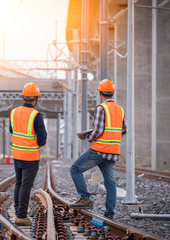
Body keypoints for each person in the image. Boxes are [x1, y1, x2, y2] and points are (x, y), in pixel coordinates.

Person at [69, 79, 127, 219]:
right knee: (110, 183)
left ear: (100, 93)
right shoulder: (120, 109)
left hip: (100, 149)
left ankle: (85, 198)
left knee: (75, 169)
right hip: (113, 151)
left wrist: (88, 137)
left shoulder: (101, 108)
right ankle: (109, 213)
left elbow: (98, 130)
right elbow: (123, 130)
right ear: (112, 93)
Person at [9, 82, 47, 226]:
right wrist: (40, 142)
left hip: (17, 154)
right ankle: (21, 216)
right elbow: (42, 139)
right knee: (25, 185)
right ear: (36, 98)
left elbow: (12, 131)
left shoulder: (14, 112)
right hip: (30, 156)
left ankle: (18, 210)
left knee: (19, 182)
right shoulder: (36, 115)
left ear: (23, 96)